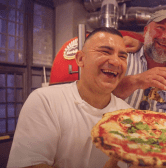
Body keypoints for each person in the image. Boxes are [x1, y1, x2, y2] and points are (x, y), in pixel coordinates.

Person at [7, 27, 131, 168]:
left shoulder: (129, 115)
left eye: (122, 56)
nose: (116, 62)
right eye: (105, 51)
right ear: (80, 59)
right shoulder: (45, 101)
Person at [113, 10, 166, 122]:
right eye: (160, 28)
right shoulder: (122, 60)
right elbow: (98, 95)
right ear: (145, 31)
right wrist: (137, 80)